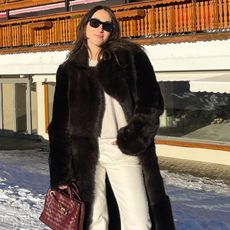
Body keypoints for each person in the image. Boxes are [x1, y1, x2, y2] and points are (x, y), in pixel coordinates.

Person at [48, 5, 175, 230]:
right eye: (95, 23)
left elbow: (151, 103)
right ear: (85, 25)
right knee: (95, 220)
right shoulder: (69, 69)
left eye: (107, 26)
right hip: (85, 155)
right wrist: (61, 172)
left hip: (122, 150)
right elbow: (60, 124)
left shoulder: (129, 58)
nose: (100, 29)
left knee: (138, 220)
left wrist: (133, 137)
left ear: (112, 30)